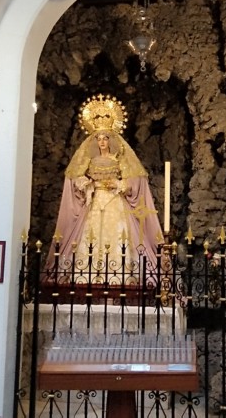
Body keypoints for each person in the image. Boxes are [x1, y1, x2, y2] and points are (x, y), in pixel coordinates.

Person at [49, 94, 163, 285]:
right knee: (90, 235)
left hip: (115, 202)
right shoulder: (90, 159)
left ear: (111, 140)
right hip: (94, 201)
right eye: (99, 138)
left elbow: (134, 179)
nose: (102, 142)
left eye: (105, 138)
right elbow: (75, 175)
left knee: (118, 235)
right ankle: (87, 275)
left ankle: (119, 276)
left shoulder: (119, 159)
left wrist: (119, 184)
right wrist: (85, 183)